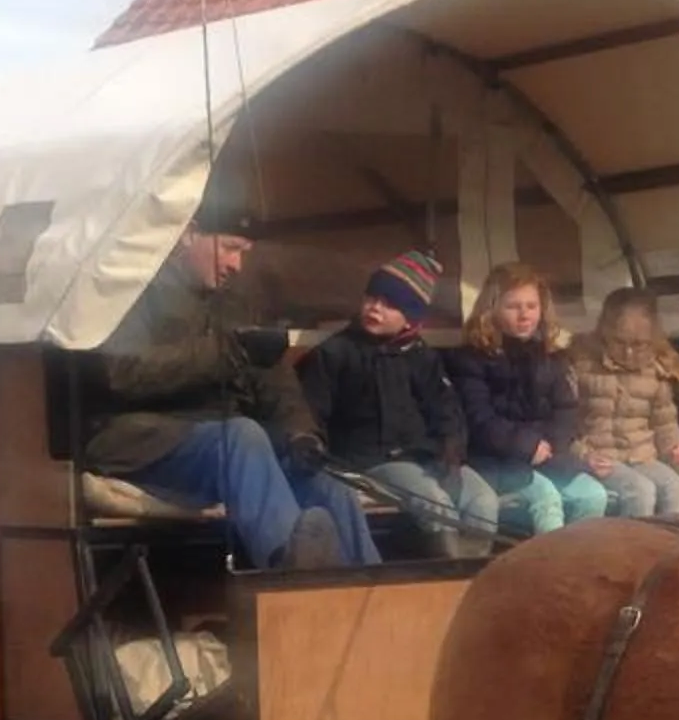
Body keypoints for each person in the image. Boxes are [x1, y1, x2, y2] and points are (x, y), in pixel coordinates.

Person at [79, 210, 378, 571]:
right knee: (242, 435)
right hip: (142, 438)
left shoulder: (235, 305)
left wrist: (301, 434)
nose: (237, 264)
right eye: (231, 248)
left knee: (329, 486)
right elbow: (122, 373)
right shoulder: (133, 292)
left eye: (245, 253)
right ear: (189, 234)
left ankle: (373, 596)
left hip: (223, 448)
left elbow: (276, 382)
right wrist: (226, 352)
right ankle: (287, 570)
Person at [300, 253, 499, 560]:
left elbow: (448, 409)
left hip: (427, 456)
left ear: (411, 318)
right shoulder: (336, 353)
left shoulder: (422, 357)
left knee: (483, 499)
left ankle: (471, 578)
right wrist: (316, 451)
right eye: (372, 298)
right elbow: (311, 412)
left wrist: (451, 447)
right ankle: (444, 577)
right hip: (369, 459)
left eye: (390, 304)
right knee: (434, 501)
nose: (375, 308)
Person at [446, 261, 607, 535]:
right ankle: (546, 572)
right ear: (492, 309)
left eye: (531, 306)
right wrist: (526, 445)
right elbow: (478, 418)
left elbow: (566, 411)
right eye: (513, 306)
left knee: (592, 495)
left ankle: (579, 568)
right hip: (493, 461)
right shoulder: (471, 359)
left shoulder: (552, 357)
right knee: (546, 499)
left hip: (547, 457)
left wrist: (549, 444)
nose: (524, 315)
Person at [570, 285, 679, 519]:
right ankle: (633, 552)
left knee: (677, 489)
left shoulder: (656, 371)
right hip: (600, 457)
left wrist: (675, 448)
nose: (628, 352)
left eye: (638, 345)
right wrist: (583, 454)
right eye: (619, 342)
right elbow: (566, 423)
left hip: (641, 455)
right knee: (640, 491)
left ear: (652, 338)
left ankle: (669, 548)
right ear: (605, 333)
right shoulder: (583, 366)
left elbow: (665, 422)